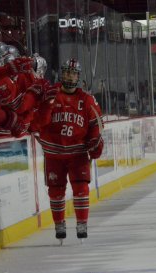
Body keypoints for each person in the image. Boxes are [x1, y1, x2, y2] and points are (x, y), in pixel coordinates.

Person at [35, 58, 103, 243]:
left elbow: (96, 125)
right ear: (61, 74)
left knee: (81, 188)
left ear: (78, 76)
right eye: (66, 72)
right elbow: (38, 121)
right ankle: (59, 224)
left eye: (73, 73)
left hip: (77, 154)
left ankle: (82, 223)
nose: (69, 76)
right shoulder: (50, 94)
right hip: (53, 154)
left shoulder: (87, 100)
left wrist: (95, 143)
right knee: (56, 192)